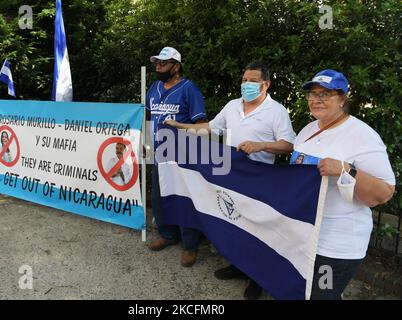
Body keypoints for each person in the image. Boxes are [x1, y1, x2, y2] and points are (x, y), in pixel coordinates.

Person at [164, 62, 296, 299]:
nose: (246, 84)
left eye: (252, 81)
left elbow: (288, 145)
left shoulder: (276, 111)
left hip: (259, 179)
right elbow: (210, 129)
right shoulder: (232, 106)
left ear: (266, 84)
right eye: (244, 80)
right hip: (232, 178)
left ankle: (258, 278)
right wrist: (179, 127)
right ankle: (238, 265)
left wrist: (261, 145)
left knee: (258, 230)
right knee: (235, 223)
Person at [290, 69, 395, 299]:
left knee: (323, 294)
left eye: (325, 93)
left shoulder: (362, 135)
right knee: (306, 292)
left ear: (342, 98)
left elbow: (386, 192)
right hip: (306, 234)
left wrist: (346, 170)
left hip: (336, 245)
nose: (316, 99)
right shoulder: (308, 129)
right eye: (312, 94)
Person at [146, 46, 207, 268]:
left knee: (184, 199)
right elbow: (148, 118)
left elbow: (201, 125)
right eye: (157, 63)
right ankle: (167, 234)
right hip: (159, 152)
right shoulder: (153, 87)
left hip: (182, 153)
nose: (158, 66)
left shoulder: (189, 89)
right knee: (160, 197)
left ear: (176, 66)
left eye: (163, 63)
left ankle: (190, 245)